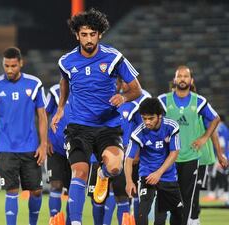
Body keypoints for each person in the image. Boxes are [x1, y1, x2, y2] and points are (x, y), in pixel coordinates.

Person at [50, 9, 142, 225]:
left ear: (100, 34)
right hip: (79, 127)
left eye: (93, 34)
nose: (88, 39)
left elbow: (136, 89)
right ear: (77, 35)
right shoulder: (66, 61)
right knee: (79, 173)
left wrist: (123, 97)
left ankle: (102, 176)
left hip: (108, 127)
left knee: (115, 168)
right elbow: (64, 80)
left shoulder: (114, 57)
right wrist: (61, 107)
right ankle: (76, 222)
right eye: (84, 34)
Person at [0, 47, 47, 225]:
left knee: (37, 191)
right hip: (6, 148)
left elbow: (42, 116)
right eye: (6, 65)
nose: (9, 70)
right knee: (12, 191)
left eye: (13, 66)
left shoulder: (34, 84)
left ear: (21, 63)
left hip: (30, 148)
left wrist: (43, 144)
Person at [157, 65, 221, 225]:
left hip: (190, 158)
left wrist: (204, 138)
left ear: (191, 80)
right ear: (174, 80)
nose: (182, 79)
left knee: (185, 199)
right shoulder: (163, 100)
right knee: (165, 197)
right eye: (179, 76)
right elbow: (152, 119)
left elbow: (215, 119)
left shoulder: (198, 101)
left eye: (186, 76)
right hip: (169, 159)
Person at [125, 97, 184, 225]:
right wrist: (129, 181)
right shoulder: (138, 133)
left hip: (167, 175)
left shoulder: (171, 127)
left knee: (162, 218)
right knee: (141, 213)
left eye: (151, 118)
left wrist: (159, 173)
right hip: (147, 174)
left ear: (159, 116)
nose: (147, 122)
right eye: (144, 118)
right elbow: (128, 159)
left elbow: (174, 153)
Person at [45, 83, 72, 223]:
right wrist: (46, 140)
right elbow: (43, 113)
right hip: (55, 147)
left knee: (72, 188)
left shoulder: (84, 89)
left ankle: (70, 221)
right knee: (56, 185)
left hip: (76, 148)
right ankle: (53, 220)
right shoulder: (55, 91)